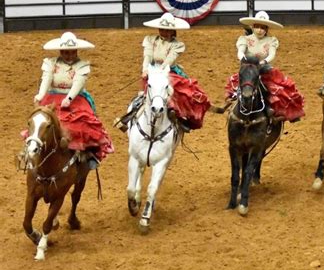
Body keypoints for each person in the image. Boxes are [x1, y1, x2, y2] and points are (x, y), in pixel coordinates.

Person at [115, 13, 211, 133]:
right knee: (145, 95)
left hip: (168, 71)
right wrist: (145, 69)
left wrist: (160, 73)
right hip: (151, 69)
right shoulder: (150, 40)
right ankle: (131, 116)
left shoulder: (177, 45)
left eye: (166, 30)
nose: (163, 32)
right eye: (161, 29)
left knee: (180, 91)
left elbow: (169, 60)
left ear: (172, 31)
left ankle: (179, 118)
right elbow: (148, 56)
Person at [31, 32, 114, 169]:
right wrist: (40, 95)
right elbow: (46, 79)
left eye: (72, 52)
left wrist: (69, 98)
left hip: (76, 99)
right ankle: (33, 149)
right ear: (60, 51)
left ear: (76, 51)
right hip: (52, 97)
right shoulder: (51, 63)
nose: (69, 56)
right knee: (40, 122)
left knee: (84, 123)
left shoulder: (81, 66)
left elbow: (78, 83)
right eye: (65, 52)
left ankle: (89, 154)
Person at [225, 11, 305, 122]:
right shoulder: (245, 39)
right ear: (253, 27)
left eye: (263, 28)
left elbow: (272, 54)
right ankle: (232, 107)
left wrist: (264, 61)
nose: (259, 30)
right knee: (237, 88)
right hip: (248, 69)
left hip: (263, 69)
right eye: (257, 27)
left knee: (275, 89)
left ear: (266, 29)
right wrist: (243, 58)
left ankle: (275, 109)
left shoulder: (271, 40)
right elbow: (240, 51)